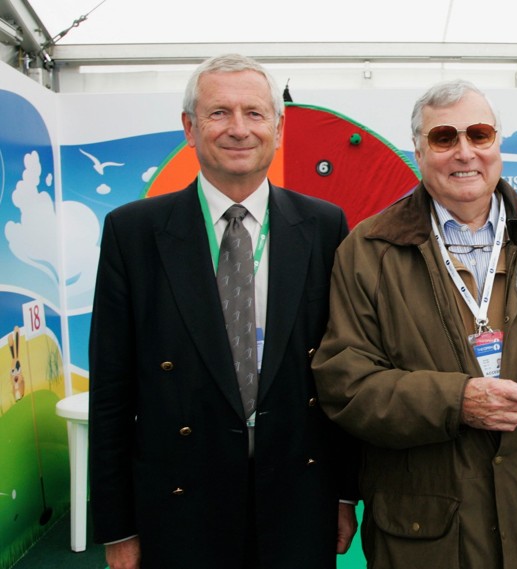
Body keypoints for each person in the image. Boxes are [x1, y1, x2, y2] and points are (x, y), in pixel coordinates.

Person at [311, 79, 517, 569]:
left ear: (497, 145)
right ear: (419, 153)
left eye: (478, 135)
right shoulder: (368, 250)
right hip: (429, 539)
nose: (464, 152)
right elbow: (346, 383)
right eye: (444, 138)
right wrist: (455, 401)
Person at [88, 53, 358, 569]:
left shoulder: (324, 226)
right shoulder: (134, 233)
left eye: (255, 114)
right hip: (181, 500)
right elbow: (111, 391)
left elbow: (343, 370)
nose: (239, 129)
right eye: (219, 113)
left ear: (278, 128)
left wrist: (344, 494)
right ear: (190, 128)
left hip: (297, 497)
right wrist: (118, 526)